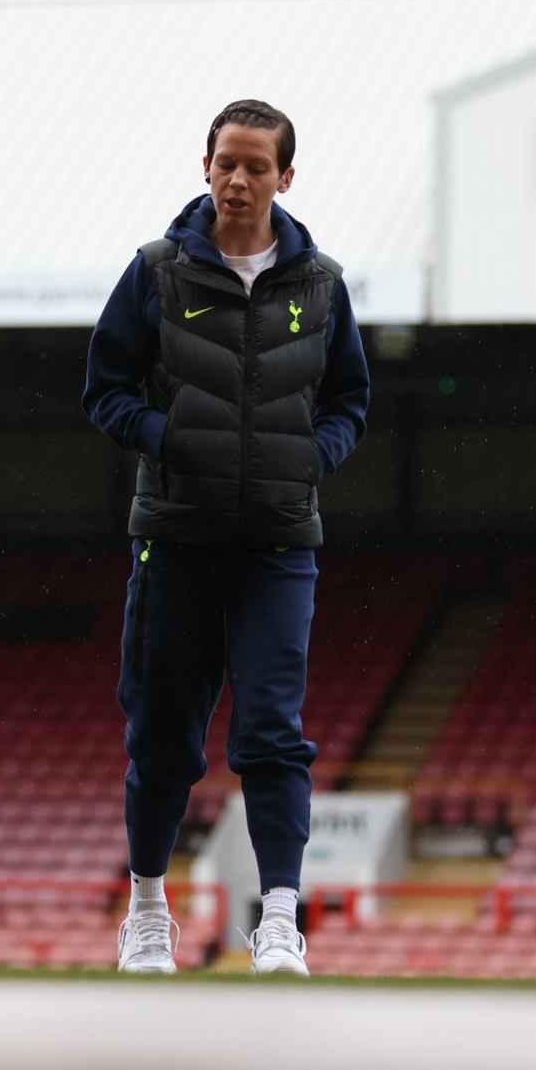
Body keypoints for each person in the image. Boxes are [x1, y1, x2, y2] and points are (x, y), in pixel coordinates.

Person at [82, 99, 370, 975]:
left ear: (287, 176)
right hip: (173, 538)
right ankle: (146, 914)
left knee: (273, 735)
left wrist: (309, 459)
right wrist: (170, 440)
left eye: (256, 166)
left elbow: (350, 400)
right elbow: (104, 392)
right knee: (165, 737)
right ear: (204, 166)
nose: (237, 180)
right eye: (224, 164)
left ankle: (279, 920)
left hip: (279, 544)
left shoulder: (320, 285)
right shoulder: (156, 272)